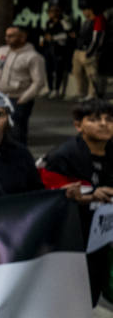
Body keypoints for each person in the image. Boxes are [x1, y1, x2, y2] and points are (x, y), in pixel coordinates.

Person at [39, 98, 113, 305]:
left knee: (91, 296)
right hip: (69, 243)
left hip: (101, 240)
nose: (104, 124)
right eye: (94, 119)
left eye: (109, 119)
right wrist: (90, 196)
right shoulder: (63, 156)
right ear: (78, 125)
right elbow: (46, 198)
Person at [0, 26, 46, 144]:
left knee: (16, 132)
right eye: (6, 35)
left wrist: (23, 99)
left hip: (17, 99)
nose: (7, 38)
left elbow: (39, 82)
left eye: (11, 36)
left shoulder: (33, 57)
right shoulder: (2, 51)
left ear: (22, 37)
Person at [72, 4, 105, 100]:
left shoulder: (98, 20)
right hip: (79, 50)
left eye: (84, 10)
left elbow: (97, 39)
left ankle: (92, 94)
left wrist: (90, 52)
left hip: (88, 52)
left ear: (90, 10)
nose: (83, 13)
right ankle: (81, 93)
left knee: (91, 74)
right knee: (78, 73)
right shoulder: (86, 21)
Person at [41, 5, 74, 98]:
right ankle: (50, 89)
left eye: (52, 12)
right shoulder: (48, 22)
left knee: (58, 69)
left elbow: (68, 34)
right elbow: (46, 33)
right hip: (49, 48)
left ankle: (57, 89)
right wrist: (43, 39)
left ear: (57, 12)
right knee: (49, 69)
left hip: (59, 48)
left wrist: (53, 38)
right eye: (49, 12)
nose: (50, 14)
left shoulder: (63, 22)